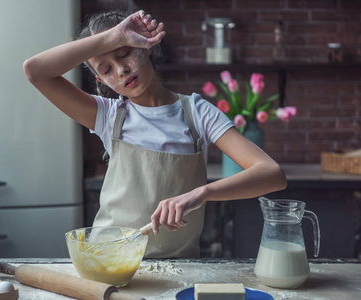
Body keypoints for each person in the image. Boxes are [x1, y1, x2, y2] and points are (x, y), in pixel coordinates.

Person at [23, 10, 287, 258]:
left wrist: (201, 193)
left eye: (125, 53)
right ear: (102, 82)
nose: (121, 70)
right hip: (108, 261)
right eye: (106, 69)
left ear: (145, 46)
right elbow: (35, 71)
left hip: (179, 266)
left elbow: (271, 174)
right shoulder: (107, 115)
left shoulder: (197, 113)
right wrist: (113, 37)